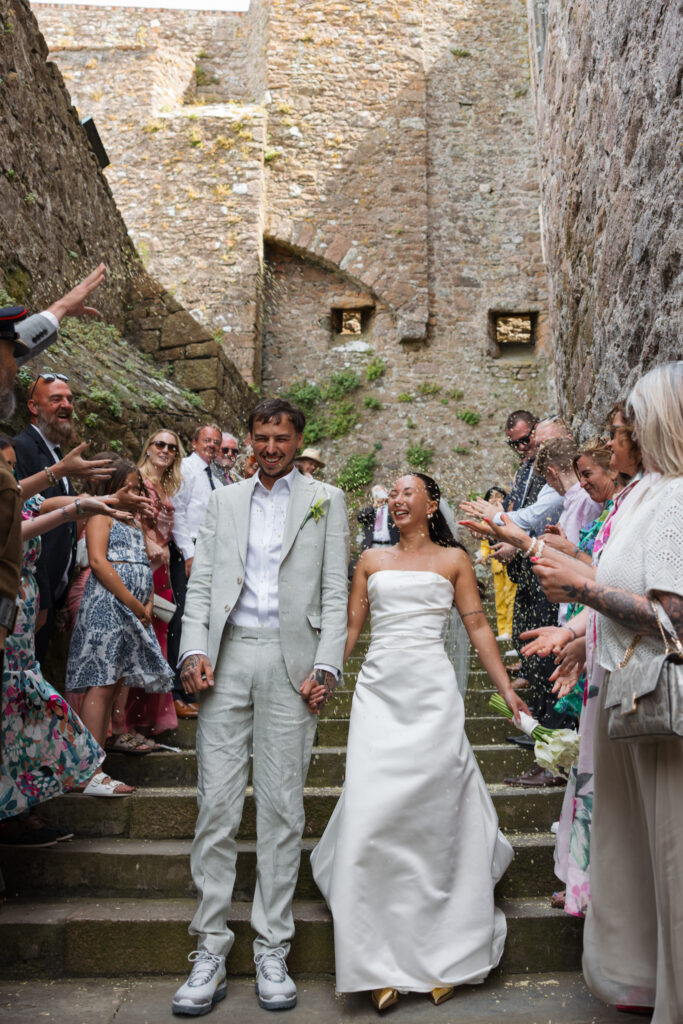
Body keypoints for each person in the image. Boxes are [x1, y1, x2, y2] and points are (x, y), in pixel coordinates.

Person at [311, 473, 527, 1011]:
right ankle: (374, 959)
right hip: (379, 695)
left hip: (433, 695)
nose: (399, 500)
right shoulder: (370, 560)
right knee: (372, 813)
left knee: (434, 818)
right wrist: (325, 676)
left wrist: (506, 691)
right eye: (394, 494)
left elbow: (477, 627)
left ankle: (444, 950)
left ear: (432, 504)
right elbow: (352, 629)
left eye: (411, 493)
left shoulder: (454, 561)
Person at [171, 398, 348, 1017]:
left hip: (290, 662)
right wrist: (193, 647)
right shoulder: (223, 500)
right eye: (261, 437)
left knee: (282, 807)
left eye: (281, 437)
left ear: (299, 438)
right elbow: (200, 584)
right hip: (227, 657)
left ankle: (272, 945)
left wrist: (325, 664)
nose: (270, 447)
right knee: (215, 804)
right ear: (249, 439)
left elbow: (334, 588)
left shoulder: (326, 498)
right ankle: (211, 947)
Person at [531, 362, 683, 1022]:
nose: (625, 432)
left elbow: (673, 613)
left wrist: (580, 588)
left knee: (672, 856)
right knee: (644, 856)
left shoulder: (676, 499)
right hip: (627, 693)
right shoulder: (649, 493)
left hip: (661, 702)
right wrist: (580, 623)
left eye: (634, 419)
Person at [0, 438, 117, 843]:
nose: (12, 475)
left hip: (21, 621)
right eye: (6, 466)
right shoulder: (7, 510)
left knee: (18, 722)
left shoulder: (14, 495)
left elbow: (33, 504)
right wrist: (75, 508)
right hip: (7, 623)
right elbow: (22, 527)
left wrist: (73, 486)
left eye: (14, 468)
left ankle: (19, 809)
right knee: (25, 712)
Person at [65, 455, 174, 795]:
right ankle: (89, 770)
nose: (136, 490)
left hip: (132, 609)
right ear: (112, 487)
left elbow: (143, 563)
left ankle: (95, 766)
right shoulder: (101, 514)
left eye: (139, 486)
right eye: (129, 485)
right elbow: (98, 561)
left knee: (113, 686)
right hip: (108, 607)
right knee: (100, 684)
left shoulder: (133, 522)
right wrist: (132, 602)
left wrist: (149, 601)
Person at [119, 429, 186, 746]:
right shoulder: (137, 479)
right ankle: (124, 722)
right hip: (140, 567)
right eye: (160, 444)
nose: (165, 450)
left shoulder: (167, 485)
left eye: (172, 447)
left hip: (162, 573)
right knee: (137, 642)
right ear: (147, 447)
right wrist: (147, 543)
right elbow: (125, 517)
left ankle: (145, 722)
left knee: (156, 646)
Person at [168, 424, 223, 719]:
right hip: (187, 555)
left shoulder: (214, 475)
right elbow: (177, 512)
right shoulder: (188, 469)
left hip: (210, 555)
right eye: (207, 441)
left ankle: (192, 688)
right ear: (193, 442)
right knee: (181, 619)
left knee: (200, 618)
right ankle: (178, 691)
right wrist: (188, 555)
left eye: (216, 442)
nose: (212, 446)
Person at [476, 486, 516, 639]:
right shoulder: (485, 521)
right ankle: (502, 630)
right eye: (491, 497)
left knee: (511, 597)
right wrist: (483, 556)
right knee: (500, 597)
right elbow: (485, 544)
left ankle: (510, 630)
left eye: (499, 496)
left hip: (510, 562)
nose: (495, 499)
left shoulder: (508, 517)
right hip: (497, 564)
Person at [357, 485, 399, 551]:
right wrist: (373, 507)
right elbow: (360, 518)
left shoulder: (392, 509)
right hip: (372, 545)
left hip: (390, 545)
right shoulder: (370, 510)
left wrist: (390, 498)